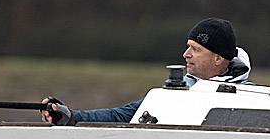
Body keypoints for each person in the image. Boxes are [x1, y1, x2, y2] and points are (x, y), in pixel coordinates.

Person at [40, 18, 251, 125]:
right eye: (188, 47)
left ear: (218, 58)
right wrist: (72, 117)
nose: (185, 54)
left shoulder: (253, 97)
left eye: (196, 50)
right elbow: (124, 115)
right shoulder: (175, 93)